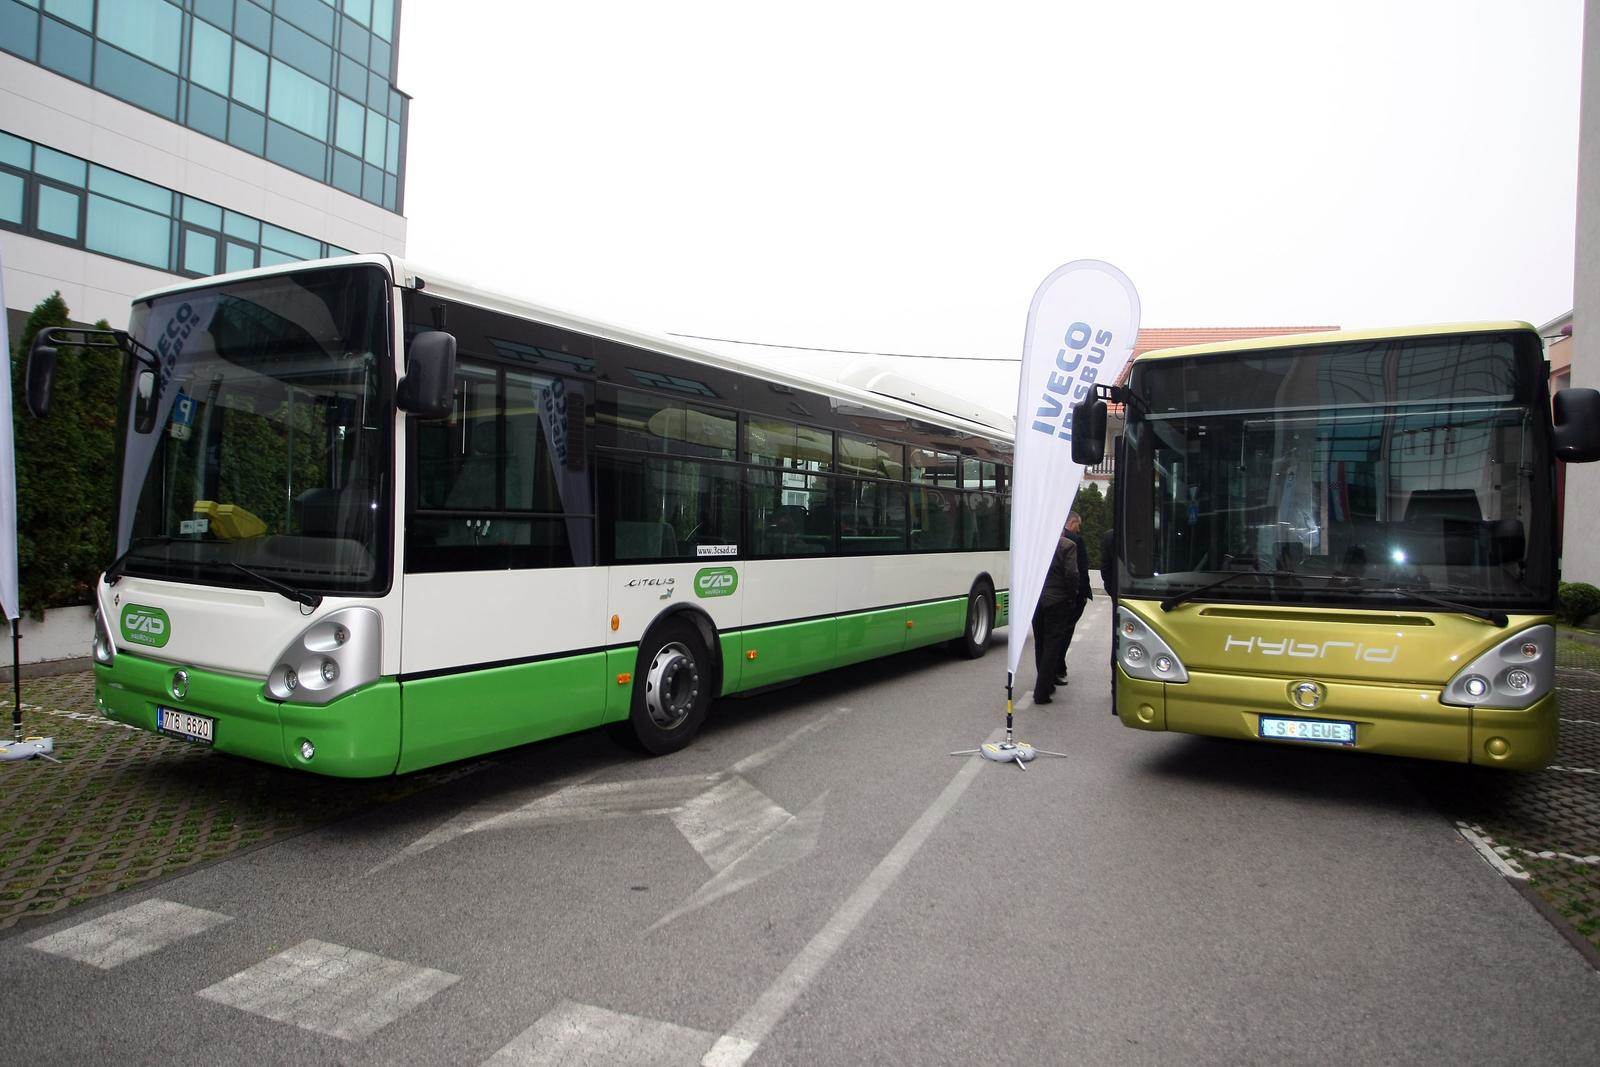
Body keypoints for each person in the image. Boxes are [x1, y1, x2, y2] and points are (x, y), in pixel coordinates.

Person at [1032, 520, 1082, 704]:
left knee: (1040, 643)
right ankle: (1042, 691)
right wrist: (1072, 596)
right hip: (1057, 601)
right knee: (1052, 645)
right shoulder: (1068, 546)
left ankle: (1045, 683)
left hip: (1037, 602)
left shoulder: (1036, 547)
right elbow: (1071, 574)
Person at [1053, 512, 1093, 686]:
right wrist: (1082, 594)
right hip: (1071, 595)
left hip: (1053, 595)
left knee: (1053, 635)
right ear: (1072, 522)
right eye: (1079, 524)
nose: (1079, 528)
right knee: (1066, 633)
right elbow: (1080, 570)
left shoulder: (1053, 538)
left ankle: (1052, 669)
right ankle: (1058, 668)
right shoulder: (1075, 541)